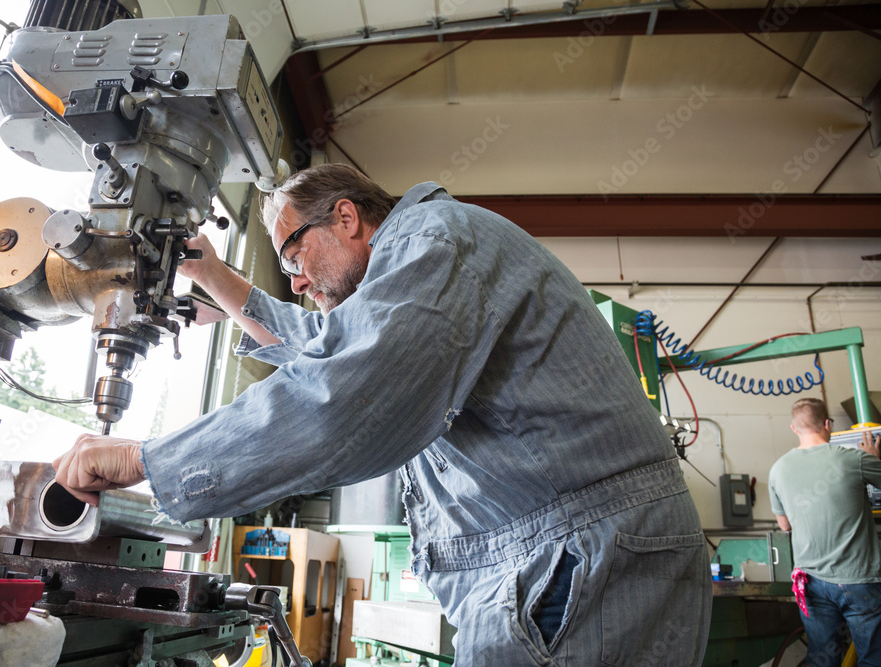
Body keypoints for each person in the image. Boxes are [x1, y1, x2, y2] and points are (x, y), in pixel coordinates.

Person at [53, 164, 712, 665]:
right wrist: (213, 276)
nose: (297, 283)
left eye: (293, 257)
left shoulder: (435, 240)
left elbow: (339, 394)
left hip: (580, 561)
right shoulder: (424, 264)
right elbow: (322, 347)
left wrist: (146, 459)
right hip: (563, 559)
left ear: (346, 217)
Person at [768, 398, 881, 666]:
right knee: (873, 657)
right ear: (827, 424)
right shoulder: (855, 459)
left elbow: (785, 526)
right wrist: (874, 459)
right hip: (859, 578)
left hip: (811, 582)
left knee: (822, 659)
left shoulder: (778, 469)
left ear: (794, 428)